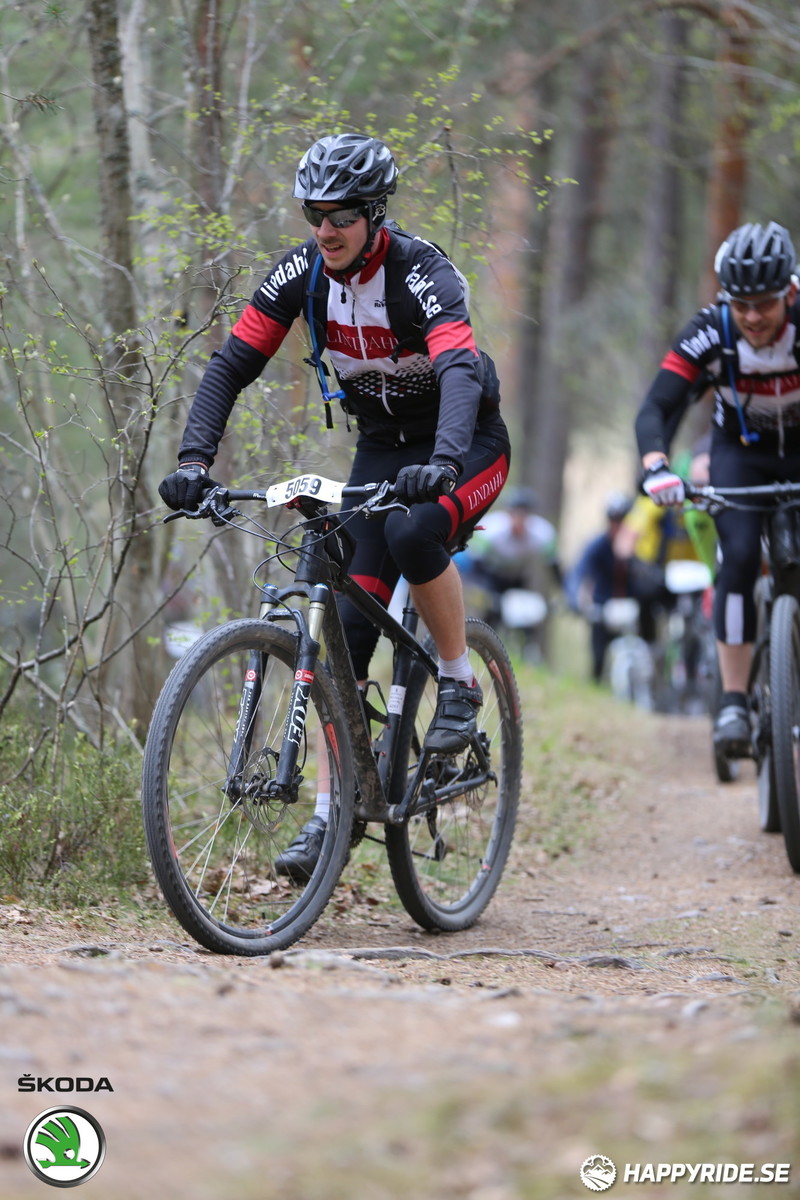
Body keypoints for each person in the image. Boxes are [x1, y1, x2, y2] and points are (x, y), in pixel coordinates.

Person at [158, 132, 511, 877]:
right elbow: (232, 364)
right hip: (382, 446)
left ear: (374, 213)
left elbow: (456, 370)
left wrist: (445, 463)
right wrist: (194, 462)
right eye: (314, 213)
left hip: (465, 441)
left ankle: (458, 682)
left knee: (417, 534)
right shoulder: (302, 272)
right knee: (342, 641)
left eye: (342, 214)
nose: (325, 228)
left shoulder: (423, 272)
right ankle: (333, 813)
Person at [635, 220, 800, 758]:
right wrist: (658, 465)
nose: (752, 317)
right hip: (741, 454)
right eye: (741, 304)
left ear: (790, 293)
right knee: (739, 558)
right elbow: (658, 406)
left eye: (766, 304)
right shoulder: (712, 329)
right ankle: (733, 700)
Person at [459, 485, 562, 621]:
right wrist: (480, 589)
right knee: (492, 616)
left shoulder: (543, 533)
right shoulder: (491, 530)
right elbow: (474, 563)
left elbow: (553, 565)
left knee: (525, 618)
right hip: (490, 575)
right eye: (515, 514)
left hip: (517, 577)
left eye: (524, 515)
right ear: (508, 513)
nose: (519, 520)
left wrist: (562, 591)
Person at [565, 490, 637, 681]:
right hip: (603, 608)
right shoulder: (597, 546)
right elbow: (579, 572)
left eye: (622, 520)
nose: (618, 526)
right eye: (614, 520)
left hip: (634, 606)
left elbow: (651, 576)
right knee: (598, 658)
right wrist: (575, 600)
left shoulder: (640, 546)